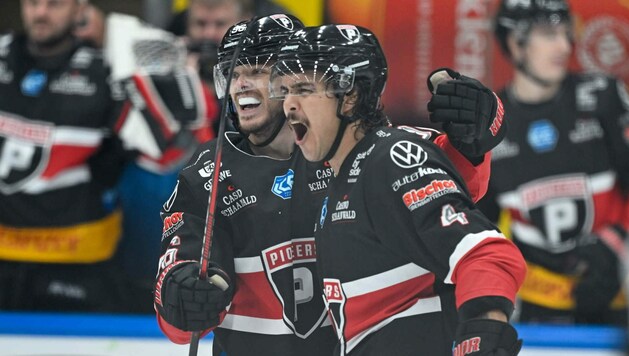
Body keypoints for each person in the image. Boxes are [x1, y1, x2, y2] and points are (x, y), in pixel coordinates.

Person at [153, 14, 511, 355]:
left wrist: (476, 131)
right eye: (233, 74)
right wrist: (180, 296)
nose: (241, 85)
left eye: (260, 72)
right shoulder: (205, 177)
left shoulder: (368, 151)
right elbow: (178, 322)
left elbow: (461, 203)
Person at [269, 24, 527, 355]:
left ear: (351, 97)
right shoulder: (345, 169)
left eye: (304, 89)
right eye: (285, 90)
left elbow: (486, 252)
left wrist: (484, 328)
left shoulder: (386, 159)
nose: (288, 105)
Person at [0, 0, 214, 312]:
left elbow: (168, 152)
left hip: (77, 259)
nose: (41, 12)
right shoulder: (4, 52)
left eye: (54, 4)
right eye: (33, 3)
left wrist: (118, 42)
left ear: (79, 9)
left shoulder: (106, 70)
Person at [477, 0, 629, 325]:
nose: (564, 46)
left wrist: (616, 245)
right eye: (548, 35)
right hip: (536, 306)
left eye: (565, 34)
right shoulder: (490, 123)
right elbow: (478, 230)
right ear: (515, 44)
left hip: (619, 292)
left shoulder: (603, 95)